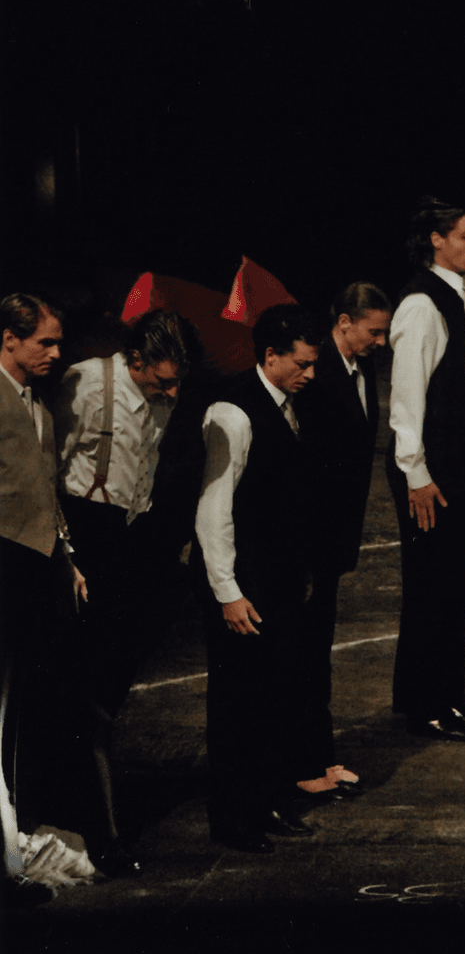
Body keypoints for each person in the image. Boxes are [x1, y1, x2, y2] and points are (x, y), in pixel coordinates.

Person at [47, 308, 194, 876]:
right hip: (86, 533)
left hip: (130, 539)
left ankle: (96, 808)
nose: (171, 391)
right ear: (134, 361)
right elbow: (48, 466)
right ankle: (88, 823)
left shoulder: (166, 392)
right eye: (161, 380)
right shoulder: (84, 386)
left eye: (177, 380)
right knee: (81, 689)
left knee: (109, 684)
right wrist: (66, 557)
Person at [194, 304, 322, 854]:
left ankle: (266, 802)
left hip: (278, 582)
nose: (310, 375)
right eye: (301, 364)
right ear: (270, 355)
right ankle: (232, 817)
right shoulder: (232, 412)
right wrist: (228, 591)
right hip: (244, 587)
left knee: (273, 698)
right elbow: (213, 508)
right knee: (236, 705)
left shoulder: (288, 405)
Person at [386, 198, 465, 742]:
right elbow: (406, 399)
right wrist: (416, 473)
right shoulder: (420, 304)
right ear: (436, 239)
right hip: (428, 466)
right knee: (431, 587)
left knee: (455, 588)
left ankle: (448, 698)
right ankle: (424, 703)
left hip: (459, 460)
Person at [291, 282, 389, 799]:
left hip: (334, 536)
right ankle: (305, 763)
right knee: (304, 652)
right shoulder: (315, 371)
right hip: (311, 536)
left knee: (317, 650)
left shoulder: (361, 368)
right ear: (344, 322)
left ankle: (317, 756)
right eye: (373, 331)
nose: (381, 341)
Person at [0, 293, 78, 904]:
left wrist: (66, 556)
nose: (55, 352)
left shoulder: (38, 405)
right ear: (9, 340)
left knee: (17, 710)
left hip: (35, 567)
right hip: (5, 565)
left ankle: (15, 836)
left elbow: (42, 487)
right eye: (43, 343)